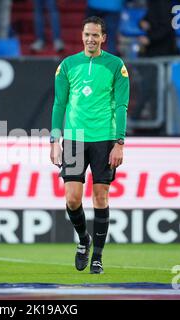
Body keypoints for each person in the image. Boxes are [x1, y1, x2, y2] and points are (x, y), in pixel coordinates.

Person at [50, 16, 129, 274]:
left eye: (96, 35)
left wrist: (119, 142)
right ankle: (84, 239)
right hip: (74, 139)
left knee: (100, 196)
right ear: (82, 35)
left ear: (104, 38)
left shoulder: (116, 65)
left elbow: (121, 106)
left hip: (105, 139)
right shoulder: (68, 65)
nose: (91, 39)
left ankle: (98, 256)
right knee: (72, 199)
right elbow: (59, 104)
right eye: (87, 34)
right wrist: (54, 140)